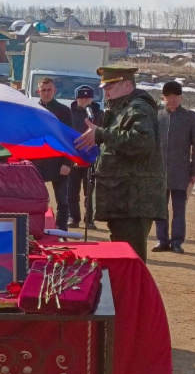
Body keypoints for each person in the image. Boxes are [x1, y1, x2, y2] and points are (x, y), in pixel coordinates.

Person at [74, 66, 167, 263]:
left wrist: (101, 134)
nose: (105, 92)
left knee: (131, 262)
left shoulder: (137, 108)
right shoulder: (121, 108)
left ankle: (136, 295)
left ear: (127, 86)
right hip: (124, 199)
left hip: (134, 201)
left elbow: (142, 142)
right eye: (104, 88)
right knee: (123, 260)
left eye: (110, 87)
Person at [153, 81, 195, 254]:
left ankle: (177, 241)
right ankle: (162, 240)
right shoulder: (157, 117)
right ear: (163, 98)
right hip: (158, 172)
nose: (172, 100)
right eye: (168, 97)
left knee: (179, 210)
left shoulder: (191, 117)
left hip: (181, 171)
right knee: (160, 209)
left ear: (181, 98)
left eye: (175, 97)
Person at [32, 77, 73, 231]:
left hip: (58, 163)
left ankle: (62, 231)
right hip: (37, 163)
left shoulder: (64, 111)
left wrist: (67, 162)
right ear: (38, 91)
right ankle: (38, 229)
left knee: (62, 201)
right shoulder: (33, 111)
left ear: (55, 90)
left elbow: (70, 139)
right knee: (38, 201)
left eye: (49, 90)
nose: (46, 93)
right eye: (43, 90)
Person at [68, 85, 104, 229]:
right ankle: (73, 217)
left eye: (87, 97)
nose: (84, 100)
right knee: (71, 190)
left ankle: (89, 219)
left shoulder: (99, 114)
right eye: (81, 98)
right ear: (76, 99)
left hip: (91, 157)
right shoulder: (69, 113)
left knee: (89, 190)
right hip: (73, 155)